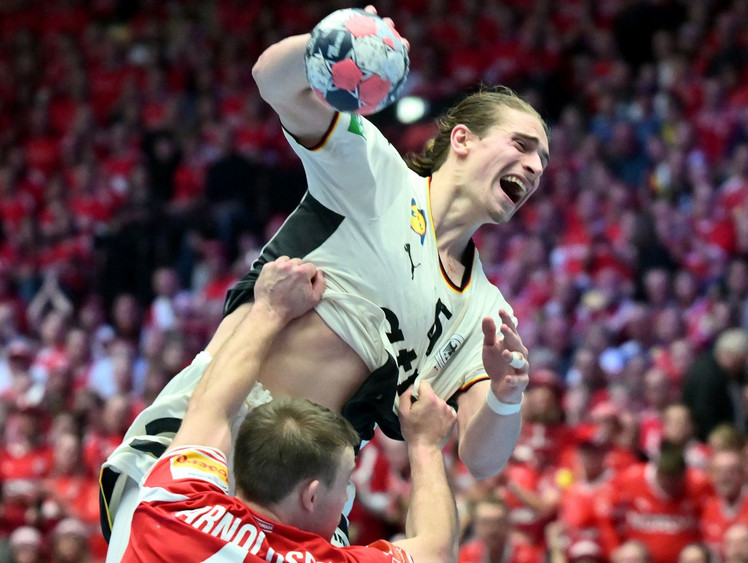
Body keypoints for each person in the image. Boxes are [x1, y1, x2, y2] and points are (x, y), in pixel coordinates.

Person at [101, 3, 547, 551]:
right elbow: (271, 80)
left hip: (308, 505)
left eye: (542, 163)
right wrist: (329, 43)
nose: (533, 167)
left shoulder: (484, 307)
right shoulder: (377, 174)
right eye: (521, 145)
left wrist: (506, 393)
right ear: (462, 140)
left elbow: (483, 457)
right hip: (210, 445)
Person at [121, 257, 460, 562]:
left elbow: (210, 407)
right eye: (344, 486)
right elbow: (436, 552)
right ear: (311, 496)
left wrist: (268, 309)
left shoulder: (173, 506)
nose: (345, 497)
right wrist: (426, 445)